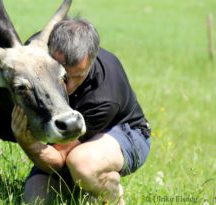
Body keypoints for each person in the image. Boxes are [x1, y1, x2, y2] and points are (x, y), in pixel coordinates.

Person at [11, 18, 151, 204]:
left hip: (125, 133)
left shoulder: (103, 97)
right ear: (51, 52)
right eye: (61, 75)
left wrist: (28, 143)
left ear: (91, 61)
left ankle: (109, 190)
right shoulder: (40, 57)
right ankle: (82, 188)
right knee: (35, 198)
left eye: (77, 77)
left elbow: (60, 157)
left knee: (82, 164)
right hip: (71, 135)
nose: (67, 86)